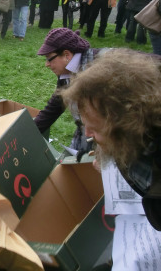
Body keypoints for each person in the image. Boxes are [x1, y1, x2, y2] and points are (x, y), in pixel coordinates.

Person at [60, 49, 161, 231]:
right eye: (85, 125)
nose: (88, 134)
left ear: (127, 127)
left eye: (95, 128)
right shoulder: (132, 140)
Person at [34, 28, 103, 153]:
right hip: (87, 133)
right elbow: (56, 105)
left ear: (67, 55)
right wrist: (29, 131)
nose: (47, 64)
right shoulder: (67, 73)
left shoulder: (101, 65)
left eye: (49, 58)